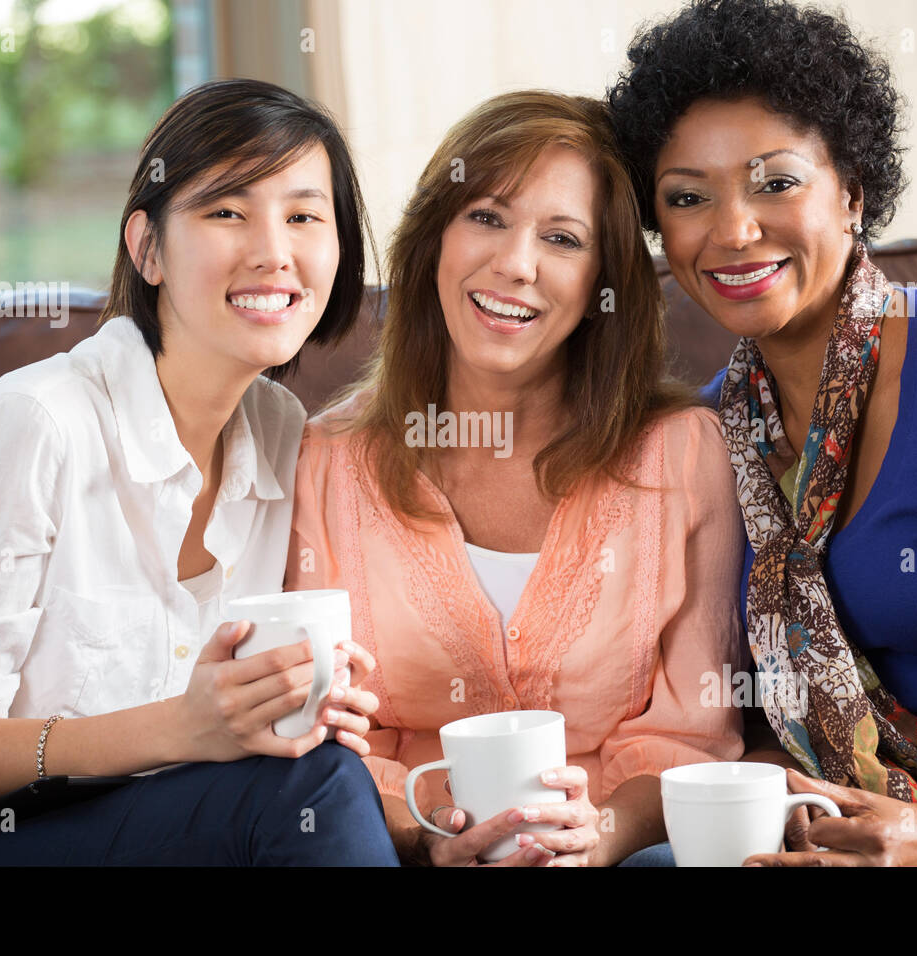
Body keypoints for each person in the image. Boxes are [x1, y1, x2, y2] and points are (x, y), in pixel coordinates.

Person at [0, 78, 397, 867]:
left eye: (303, 216)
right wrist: (186, 728)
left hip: (136, 831)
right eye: (227, 211)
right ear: (147, 249)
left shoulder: (282, 433)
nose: (273, 251)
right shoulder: (36, 425)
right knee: (314, 790)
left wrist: (289, 699)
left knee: (316, 771)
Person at [607, 0, 917, 866]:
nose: (732, 230)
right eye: (689, 197)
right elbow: (754, 709)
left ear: (855, 194)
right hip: (850, 814)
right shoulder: (710, 430)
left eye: (776, 181)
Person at [285, 90, 751, 867]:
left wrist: (596, 839)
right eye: (487, 217)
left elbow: (691, 732)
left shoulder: (682, 456)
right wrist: (432, 835)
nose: (516, 265)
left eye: (562, 238)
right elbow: (323, 737)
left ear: (606, 279)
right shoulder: (328, 460)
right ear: (434, 237)